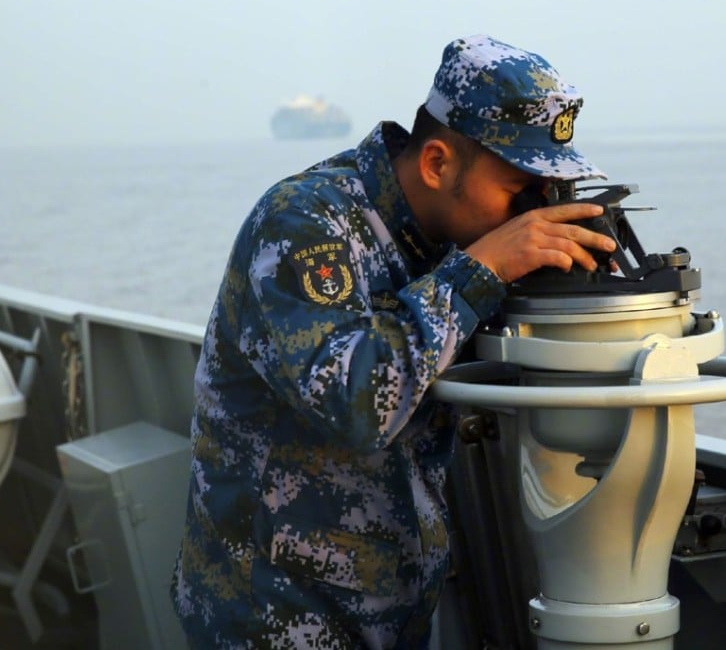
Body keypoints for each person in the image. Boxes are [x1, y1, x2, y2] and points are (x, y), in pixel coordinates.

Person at [170, 34, 616, 649]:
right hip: (275, 617)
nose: (527, 213)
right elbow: (356, 405)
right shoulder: (305, 223)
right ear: (437, 164)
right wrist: (483, 270)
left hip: (392, 609)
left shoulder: (446, 238)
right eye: (519, 191)